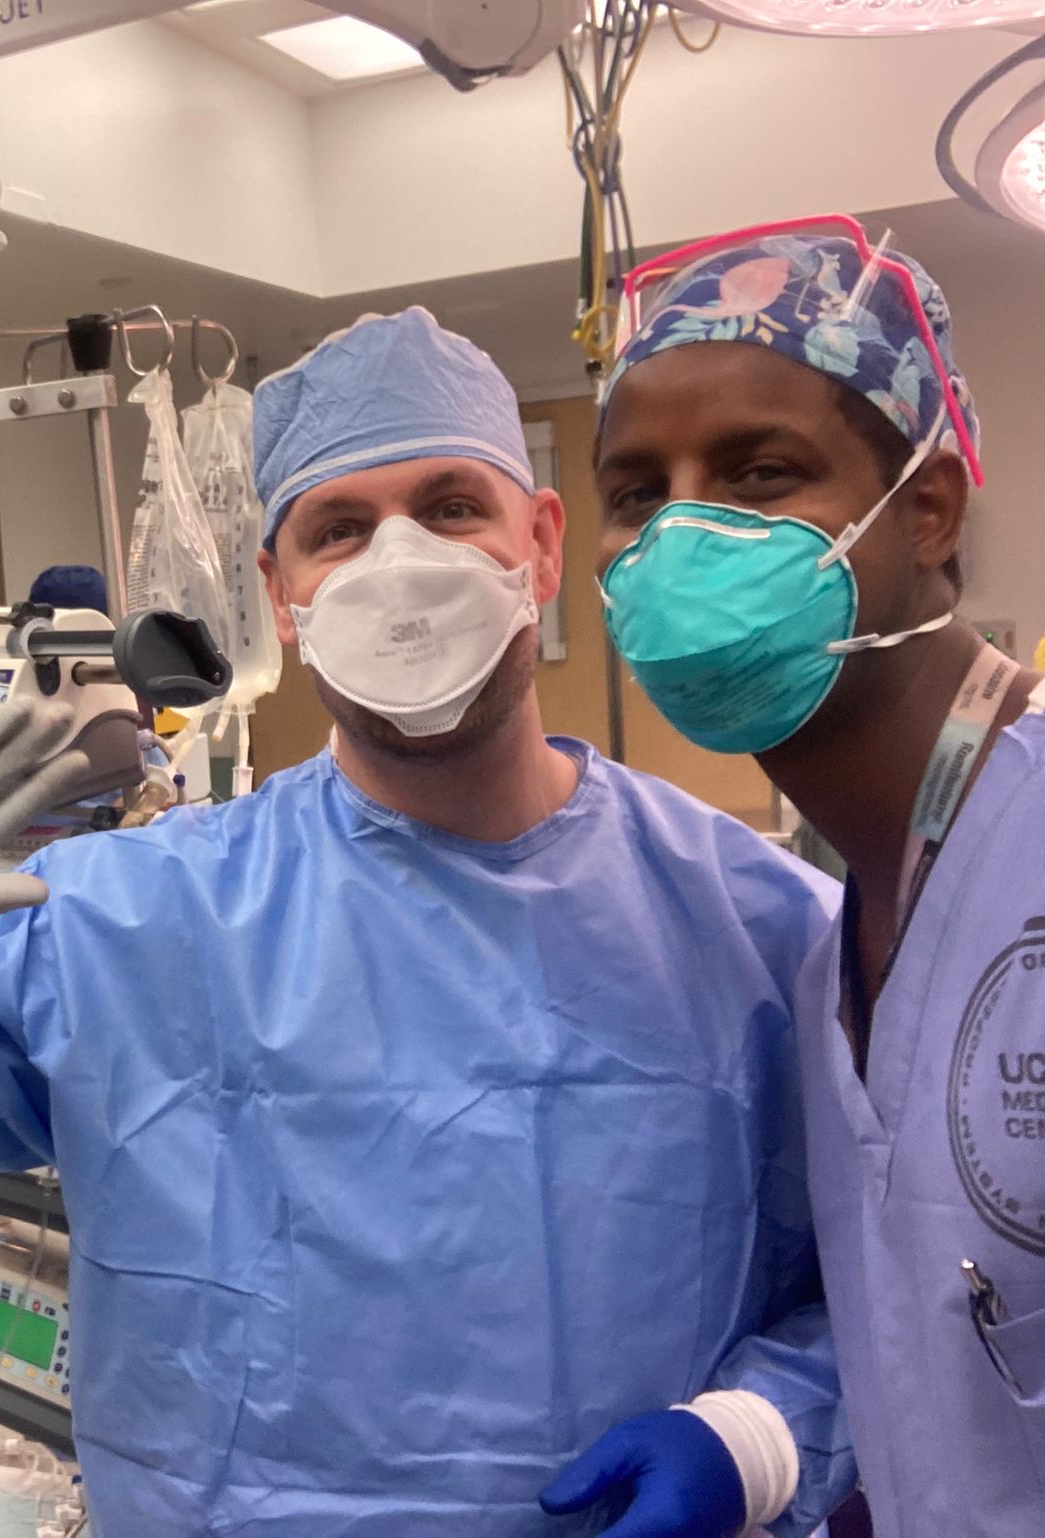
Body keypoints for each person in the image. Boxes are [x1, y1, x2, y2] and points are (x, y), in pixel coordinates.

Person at [0, 307, 857, 1536]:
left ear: (537, 543)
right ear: (280, 592)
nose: (400, 561)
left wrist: (752, 1438)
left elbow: (917, 1265)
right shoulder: (137, 914)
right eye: (338, 530)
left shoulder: (758, 924)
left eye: (451, 505)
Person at [597, 217, 1045, 1535]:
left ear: (928, 508)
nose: (684, 534)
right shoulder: (835, 941)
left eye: (759, 473)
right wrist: (754, 1439)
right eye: (639, 492)